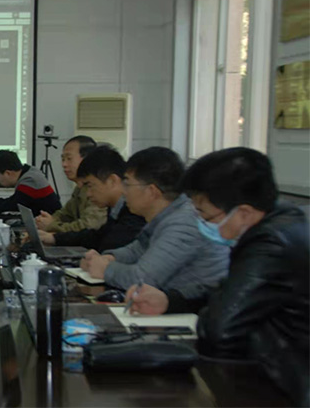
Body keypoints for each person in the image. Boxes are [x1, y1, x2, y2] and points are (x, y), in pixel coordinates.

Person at [124, 148, 308, 406]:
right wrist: (170, 300)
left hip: (284, 388)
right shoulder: (278, 221)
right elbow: (230, 291)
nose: (200, 222)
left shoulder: (270, 244)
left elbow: (220, 332)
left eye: (205, 216)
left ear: (243, 213)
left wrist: (208, 316)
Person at [80, 147, 229, 296]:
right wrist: (109, 258)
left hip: (194, 307)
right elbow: (138, 249)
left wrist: (105, 269)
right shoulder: (166, 215)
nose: (124, 192)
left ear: (152, 191)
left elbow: (143, 279)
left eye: (128, 184)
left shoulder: (184, 223)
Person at [38, 146, 145, 253]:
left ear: (112, 181)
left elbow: (110, 244)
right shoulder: (115, 209)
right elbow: (96, 236)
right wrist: (54, 238)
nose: (88, 194)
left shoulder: (134, 212)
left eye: (90, 186)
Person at [35, 136, 106, 233]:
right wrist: (45, 221)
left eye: (69, 159)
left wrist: (52, 226)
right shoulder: (79, 187)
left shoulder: (98, 188)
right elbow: (65, 214)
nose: (64, 164)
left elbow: (88, 226)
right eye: (63, 159)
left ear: (87, 159)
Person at [0, 150, 61, 216]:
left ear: (8, 173)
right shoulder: (29, 174)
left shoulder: (30, 180)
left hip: (53, 225)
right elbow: (14, 200)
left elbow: (14, 204)